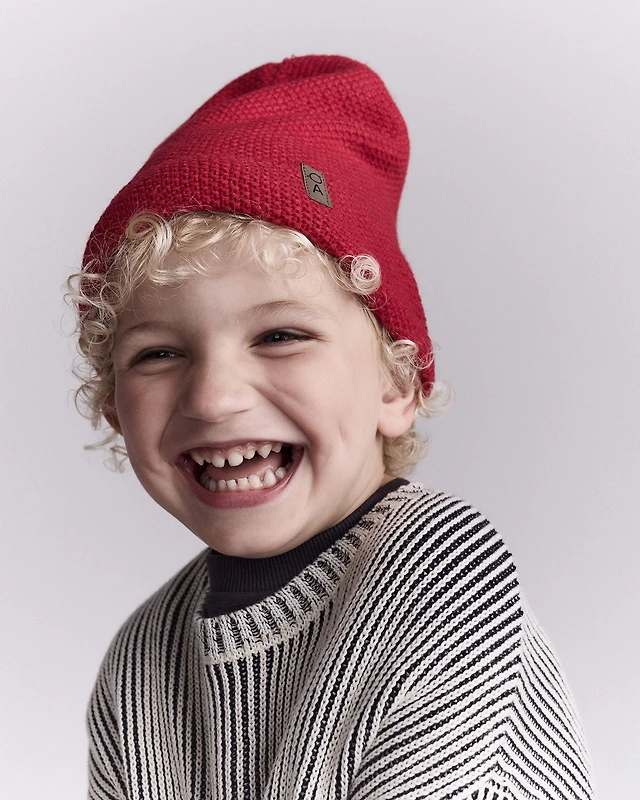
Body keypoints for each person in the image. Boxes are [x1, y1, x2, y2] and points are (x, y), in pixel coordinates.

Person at [69, 55, 593, 799]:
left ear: (397, 383)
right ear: (115, 407)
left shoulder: (443, 588)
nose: (213, 397)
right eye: (158, 353)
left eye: (280, 336)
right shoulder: (141, 663)